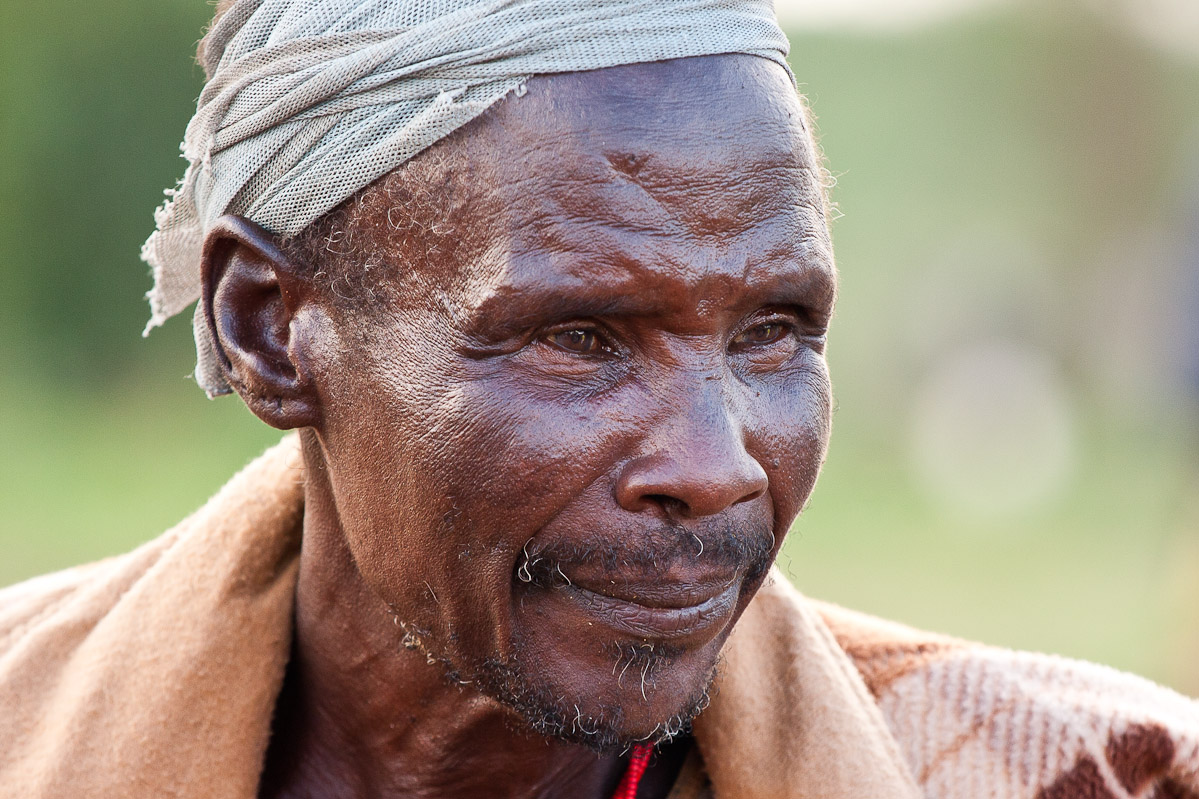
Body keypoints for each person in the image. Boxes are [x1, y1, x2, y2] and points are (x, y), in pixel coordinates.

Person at [1, 1, 1196, 798]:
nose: (716, 461)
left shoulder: (1106, 774)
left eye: (771, 331)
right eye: (579, 338)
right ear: (266, 327)